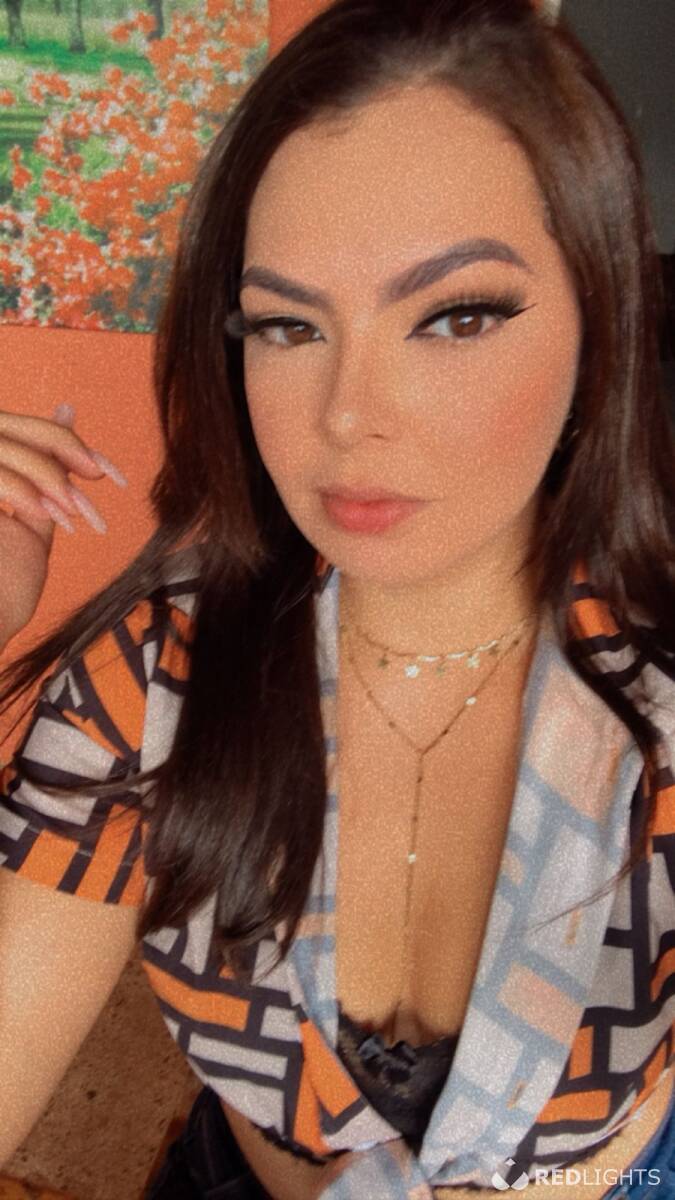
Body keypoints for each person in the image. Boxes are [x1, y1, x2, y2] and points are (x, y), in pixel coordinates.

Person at [1, 0, 674, 1197]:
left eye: (456, 316)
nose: (348, 414)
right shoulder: (157, 677)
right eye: (288, 325)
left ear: (599, 320)